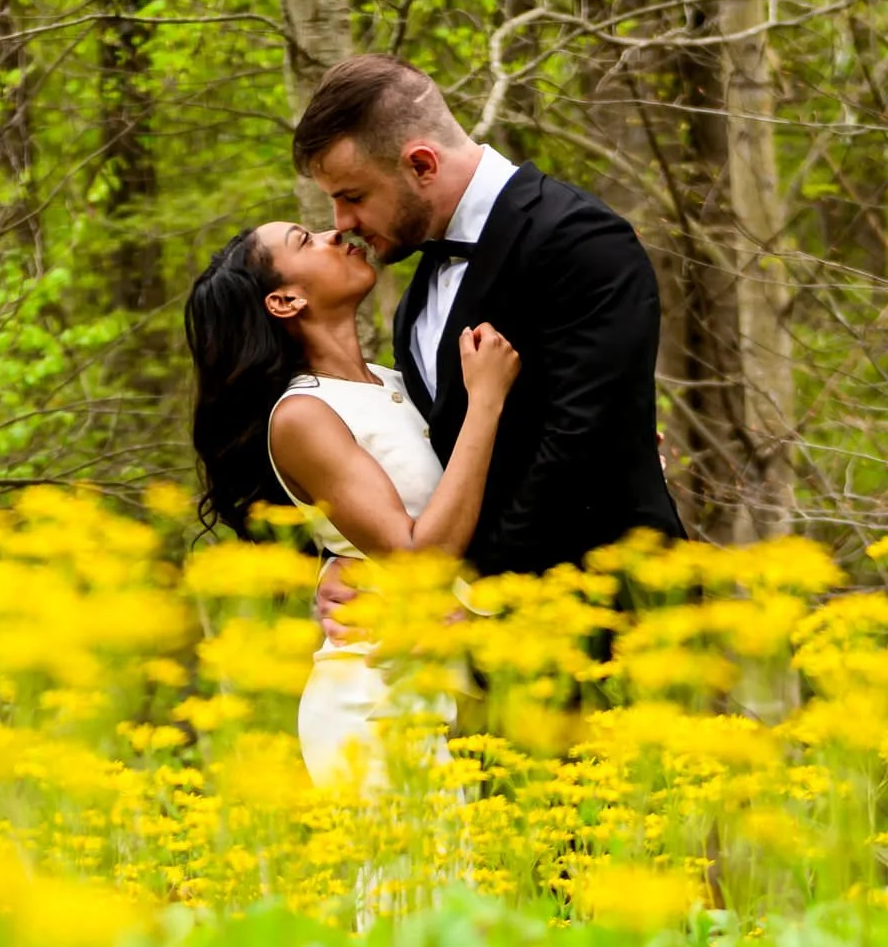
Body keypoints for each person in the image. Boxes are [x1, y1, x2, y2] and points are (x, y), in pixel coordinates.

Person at [292, 55, 683, 582]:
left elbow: (581, 449)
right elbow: (425, 466)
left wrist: (476, 593)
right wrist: (353, 566)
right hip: (491, 637)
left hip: (614, 608)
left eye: (353, 196)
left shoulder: (580, 241)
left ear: (422, 165)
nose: (343, 223)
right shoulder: (420, 287)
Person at [184, 218, 519, 788]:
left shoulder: (397, 381)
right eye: (303, 241)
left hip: (442, 690)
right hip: (371, 705)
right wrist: (486, 401)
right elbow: (417, 555)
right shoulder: (301, 416)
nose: (333, 235)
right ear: (286, 300)